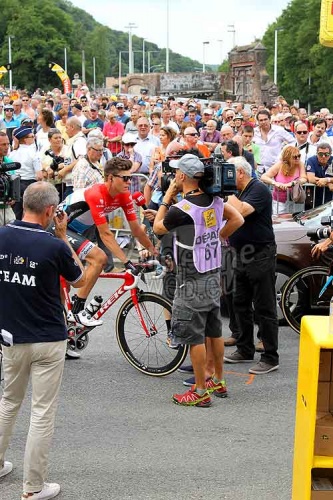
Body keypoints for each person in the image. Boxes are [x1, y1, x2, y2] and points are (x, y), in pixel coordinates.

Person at [0, 181, 86, 499]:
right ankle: (33, 487)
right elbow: (79, 279)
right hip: (48, 337)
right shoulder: (53, 245)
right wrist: (63, 236)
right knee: (41, 412)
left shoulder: (3, 235)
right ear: (51, 211)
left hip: (11, 335)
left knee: (8, 402)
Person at [153, 154, 244, 406]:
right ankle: (218, 380)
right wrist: (217, 238)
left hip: (190, 276)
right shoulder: (215, 201)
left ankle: (201, 390)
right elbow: (238, 218)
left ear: (182, 176)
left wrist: (167, 195)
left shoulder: (182, 209)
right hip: (213, 271)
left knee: (194, 336)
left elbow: (158, 227)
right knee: (213, 330)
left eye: (176, 174)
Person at [59, 157, 158, 324]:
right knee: (99, 258)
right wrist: (126, 262)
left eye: (131, 178)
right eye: (125, 178)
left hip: (76, 231)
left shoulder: (124, 196)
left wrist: (154, 252)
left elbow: (136, 230)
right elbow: (105, 234)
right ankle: (77, 309)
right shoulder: (96, 194)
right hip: (59, 228)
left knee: (65, 286)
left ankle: (68, 327)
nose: (129, 182)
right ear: (110, 178)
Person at [224, 156, 279, 375]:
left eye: (229, 174)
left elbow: (242, 212)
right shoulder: (239, 191)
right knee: (240, 302)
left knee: (264, 306)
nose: (227, 178)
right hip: (242, 254)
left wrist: (225, 189)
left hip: (261, 254)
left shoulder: (259, 189)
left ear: (240, 172)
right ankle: (245, 348)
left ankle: (270, 356)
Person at [9, 126, 43, 220]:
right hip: (30, 184)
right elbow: (39, 175)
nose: (34, 138)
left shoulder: (12, 154)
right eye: (31, 136)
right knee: (31, 213)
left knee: (16, 213)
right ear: (25, 140)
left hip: (15, 184)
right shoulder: (33, 154)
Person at [261, 145, 307, 214]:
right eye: (295, 157)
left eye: (299, 156)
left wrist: (293, 183)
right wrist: (275, 183)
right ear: (288, 157)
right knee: (280, 220)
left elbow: (304, 178)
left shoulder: (300, 164)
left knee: (296, 220)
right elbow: (264, 177)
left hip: (296, 198)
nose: (297, 158)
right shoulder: (279, 165)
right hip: (280, 200)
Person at [306, 142, 333, 207]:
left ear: (330, 154)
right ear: (317, 154)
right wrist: (328, 182)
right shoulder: (311, 160)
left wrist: (327, 180)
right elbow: (311, 179)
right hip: (314, 196)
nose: (323, 156)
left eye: (326, 154)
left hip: (330, 197)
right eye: (321, 154)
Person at [0, 132, 16, 226]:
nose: (6, 147)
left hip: (7, 207)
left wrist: (13, 197)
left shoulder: (9, 162)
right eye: (3, 144)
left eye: (8, 144)